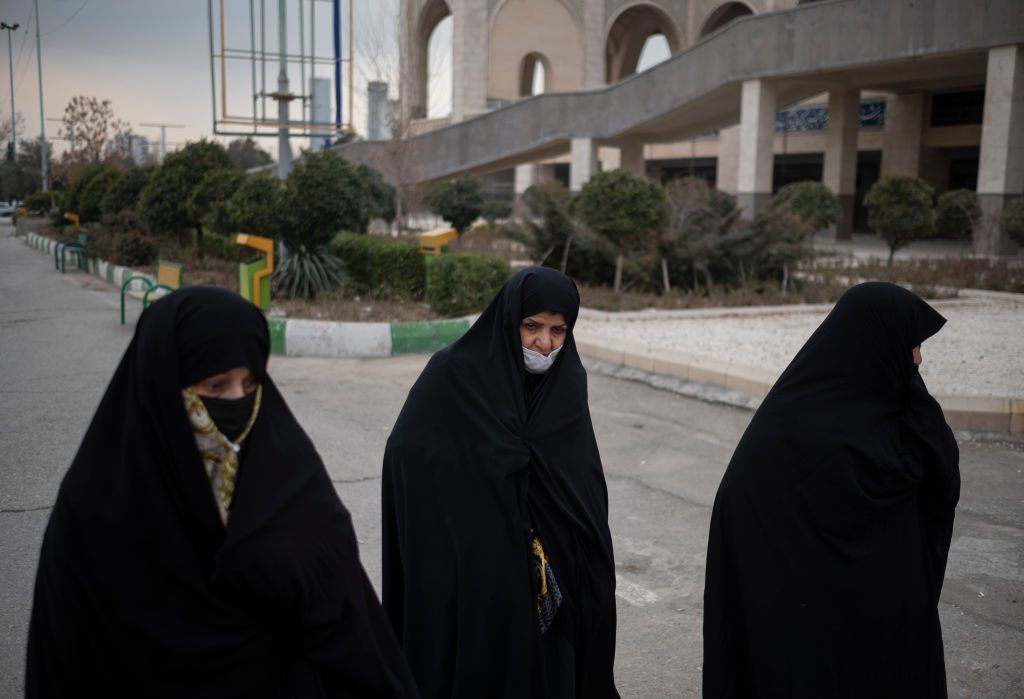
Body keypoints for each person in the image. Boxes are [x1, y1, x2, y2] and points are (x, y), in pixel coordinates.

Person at [26, 286, 419, 698]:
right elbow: (62, 665)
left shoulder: (292, 484)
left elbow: (355, 637)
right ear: (162, 387)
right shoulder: (92, 516)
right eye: (215, 387)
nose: (237, 402)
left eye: (250, 384)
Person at [702, 282, 961, 697]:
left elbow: (936, 470)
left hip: (872, 626)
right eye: (913, 343)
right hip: (807, 631)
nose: (918, 356)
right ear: (879, 341)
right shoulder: (793, 426)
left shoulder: (884, 409)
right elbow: (741, 503)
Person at [381, 267, 619, 698]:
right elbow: (407, 455)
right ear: (509, 320)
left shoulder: (567, 383)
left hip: (550, 572)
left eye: (558, 330)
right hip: (475, 565)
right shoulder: (454, 375)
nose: (544, 344)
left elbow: (580, 483)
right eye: (531, 327)